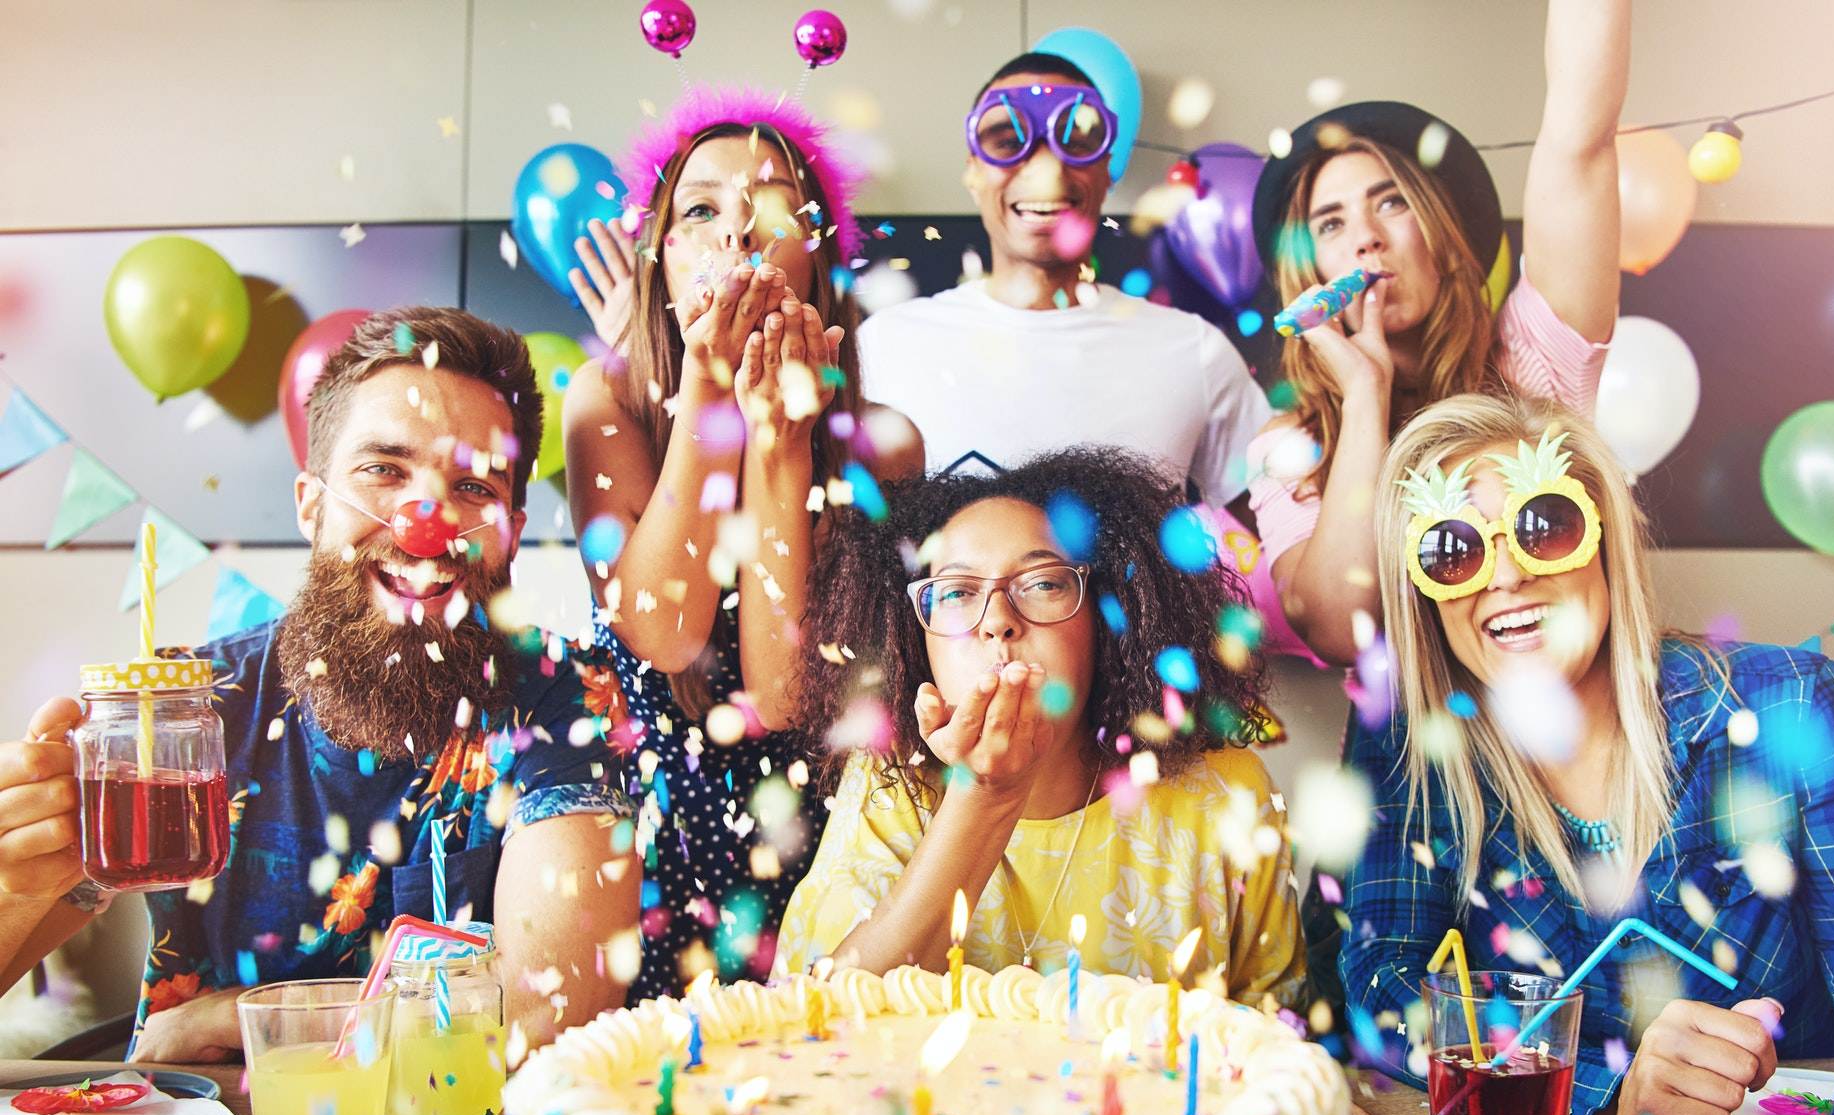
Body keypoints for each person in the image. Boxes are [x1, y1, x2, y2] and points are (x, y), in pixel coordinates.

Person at [0, 307, 638, 1059]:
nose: (422, 523)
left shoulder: (566, 701)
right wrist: (22, 877)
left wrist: (243, 1018)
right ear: (311, 503)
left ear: (511, 532)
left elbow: (548, 1011)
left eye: (472, 485)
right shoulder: (183, 710)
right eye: (385, 470)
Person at [1339, 394, 1834, 1115]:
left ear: (1603, 541)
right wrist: (1607, 1098)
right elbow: (1382, 986)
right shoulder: (1405, 747)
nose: (1506, 575)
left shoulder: (1792, 702)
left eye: (1542, 527)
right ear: (1423, 594)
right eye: (1453, 550)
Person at [774, 449, 1304, 1007]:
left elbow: (1279, 1041)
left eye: (1043, 583)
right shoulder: (888, 784)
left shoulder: (1227, 797)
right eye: (956, 592)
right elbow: (818, 1021)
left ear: (1108, 615)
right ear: (915, 641)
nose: (1000, 621)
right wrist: (981, 796)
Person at [563, 87, 886, 997]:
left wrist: (780, 437)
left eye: (774, 206)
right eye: (700, 209)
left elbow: (784, 696)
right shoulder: (608, 403)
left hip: (826, 870)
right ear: (661, 259)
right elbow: (663, 633)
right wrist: (707, 387)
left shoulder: (883, 445)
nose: (736, 234)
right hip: (647, 865)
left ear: (822, 262)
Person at [1248, 0, 1629, 663]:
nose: (1366, 235)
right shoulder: (1290, 451)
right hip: (1412, 758)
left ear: (1438, 235)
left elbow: (1582, 144)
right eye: (1331, 223)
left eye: (1391, 201)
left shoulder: (1531, 363)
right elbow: (1342, 632)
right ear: (1310, 270)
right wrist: (1365, 396)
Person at [853, 52, 1271, 505]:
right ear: (972, 171)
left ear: (1106, 166)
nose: (1046, 169)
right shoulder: (884, 346)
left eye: (1076, 139)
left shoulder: (1195, 350)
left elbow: (1277, 548)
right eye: (1008, 140)